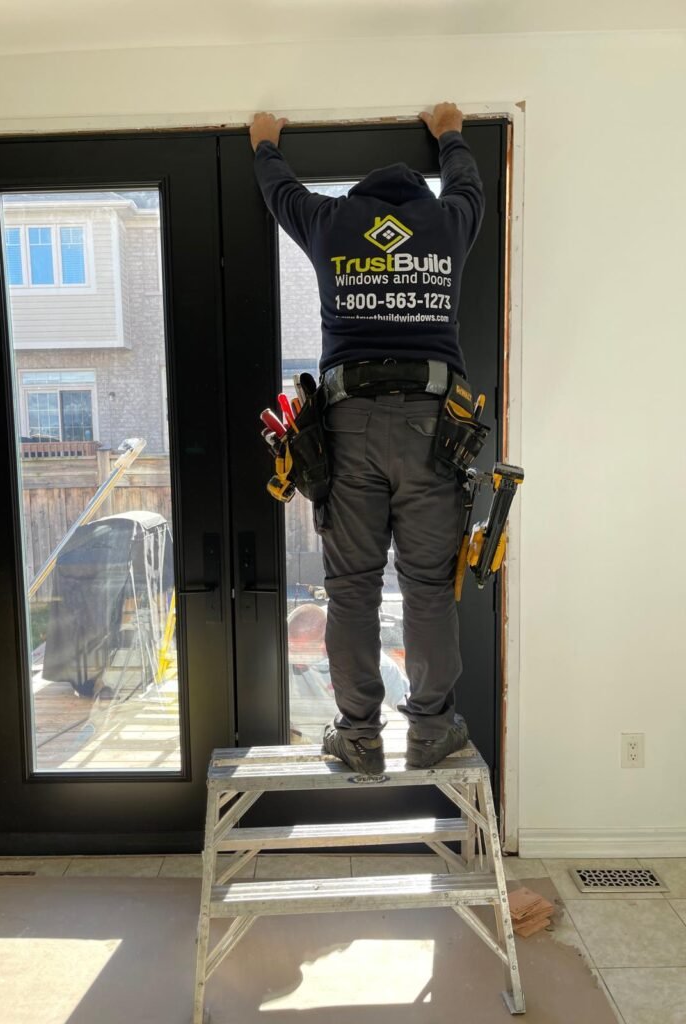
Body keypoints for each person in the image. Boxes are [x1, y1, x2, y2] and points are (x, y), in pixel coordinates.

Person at [250, 104, 484, 774]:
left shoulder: (332, 222)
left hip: (347, 429)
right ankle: (432, 728)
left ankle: (359, 736)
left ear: (359, 198)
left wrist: (267, 142)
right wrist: (450, 134)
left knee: (352, 588)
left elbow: (280, 193)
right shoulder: (445, 220)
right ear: (419, 195)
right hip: (435, 430)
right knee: (428, 588)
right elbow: (469, 184)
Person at [287, 602, 408, 743]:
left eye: (300, 652)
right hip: (298, 735)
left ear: (325, 644)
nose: (292, 657)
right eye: (290, 648)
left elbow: (404, 697)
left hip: (344, 738)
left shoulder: (362, 656)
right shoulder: (284, 652)